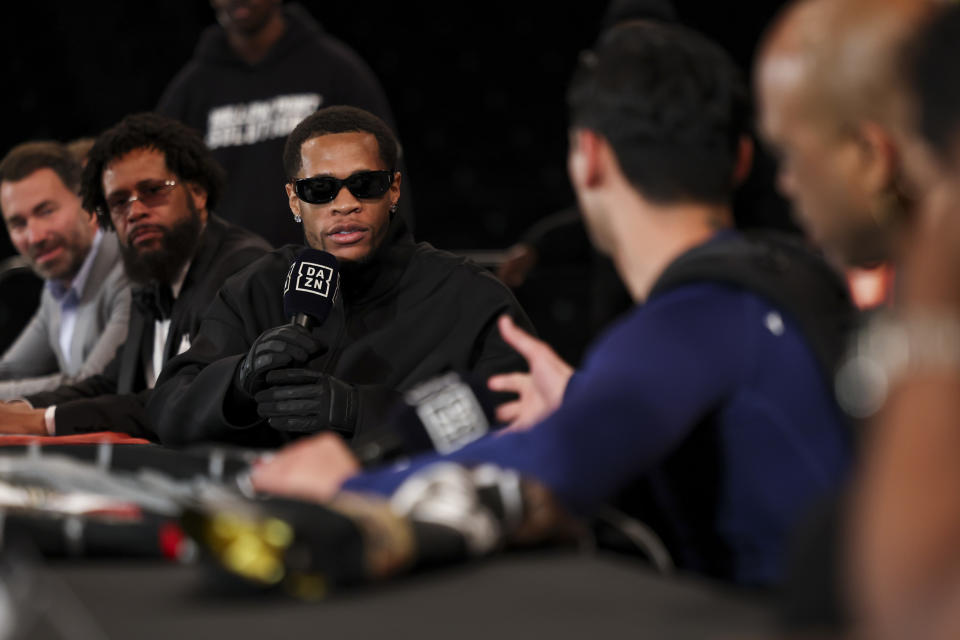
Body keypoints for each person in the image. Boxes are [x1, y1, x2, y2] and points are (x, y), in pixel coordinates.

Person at [250, 23, 854, 587]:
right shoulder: (797, 275)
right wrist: (584, 399)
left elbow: (551, 466)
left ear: (588, 158)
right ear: (742, 160)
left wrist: (354, 485)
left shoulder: (689, 321)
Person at [147, 105, 532, 447]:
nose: (345, 205)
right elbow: (167, 413)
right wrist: (238, 381)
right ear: (294, 199)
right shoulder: (255, 288)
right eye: (321, 189)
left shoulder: (470, 298)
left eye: (365, 186)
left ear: (394, 189)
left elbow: (525, 416)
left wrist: (360, 411)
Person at [0, 113, 271, 437]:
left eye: (153, 190)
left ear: (197, 192)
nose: (135, 210)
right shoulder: (150, 273)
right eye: (118, 201)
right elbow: (109, 384)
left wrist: (45, 421)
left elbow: (188, 399)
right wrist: (24, 408)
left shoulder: (242, 270)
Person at [157, 0, 406, 248]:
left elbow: (386, 171)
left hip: (333, 270)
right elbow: (160, 194)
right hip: (230, 278)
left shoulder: (337, 72)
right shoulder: (190, 92)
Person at [0, 141, 131, 399]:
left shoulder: (130, 271)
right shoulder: (56, 288)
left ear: (89, 203)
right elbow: (10, 371)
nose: (34, 236)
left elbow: (92, 385)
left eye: (46, 211)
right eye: (18, 224)